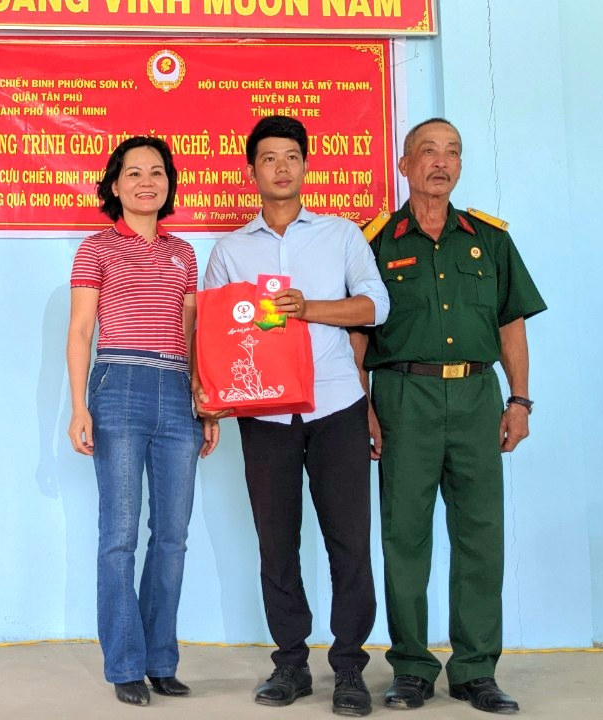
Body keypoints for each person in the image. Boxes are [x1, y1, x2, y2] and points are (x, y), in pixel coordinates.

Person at [355, 118, 546, 714]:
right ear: (404, 163)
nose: (441, 162)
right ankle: (411, 668)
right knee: (403, 537)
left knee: (480, 536)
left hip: (476, 398)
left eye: (452, 153)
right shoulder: (375, 242)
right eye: (428, 151)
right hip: (402, 396)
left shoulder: (490, 240)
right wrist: (364, 407)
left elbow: (511, 323)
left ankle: (475, 670)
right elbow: (357, 333)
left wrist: (519, 400)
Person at [200, 115, 389, 717]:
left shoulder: (340, 236)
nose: (281, 167)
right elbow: (214, 332)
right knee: (276, 542)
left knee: (349, 542)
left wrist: (308, 308)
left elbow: (375, 305)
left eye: (291, 156)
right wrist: (210, 396)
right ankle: (290, 664)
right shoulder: (230, 250)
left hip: (337, 406)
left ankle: (350, 667)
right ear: (251, 171)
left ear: (306, 165)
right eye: (268, 158)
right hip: (265, 413)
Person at [66, 135, 220, 706]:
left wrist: (206, 401)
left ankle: (160, 661)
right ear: (115, 184)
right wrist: (79, 406)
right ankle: (125, 663)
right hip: (119, 387)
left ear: (169, 184)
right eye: (133, 173)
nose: (146, 182)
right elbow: (81, 330)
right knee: (120, 535)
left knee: (173, 537)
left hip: (177, 392)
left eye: (157, 172)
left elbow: (191, 334)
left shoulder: (184, 254)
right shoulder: (96, 248)